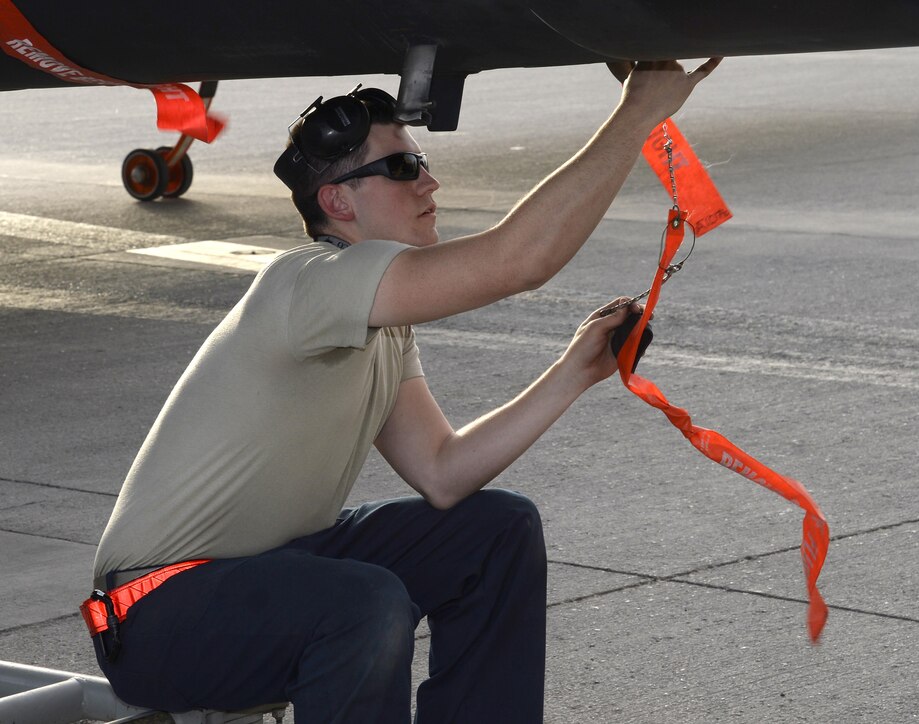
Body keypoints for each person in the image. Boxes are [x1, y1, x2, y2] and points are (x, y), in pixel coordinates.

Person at [83, 58, 720, 723]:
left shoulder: (377, 320)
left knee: (496, 532)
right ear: (338, 201)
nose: (430, 181)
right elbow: (518, 260)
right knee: (363, 601)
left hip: (272, 573)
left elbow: (442, 473)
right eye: (401, 168)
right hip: (159, 614)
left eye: (421, 162)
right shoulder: (309, 282)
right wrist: (636, 112)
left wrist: (573, 374)